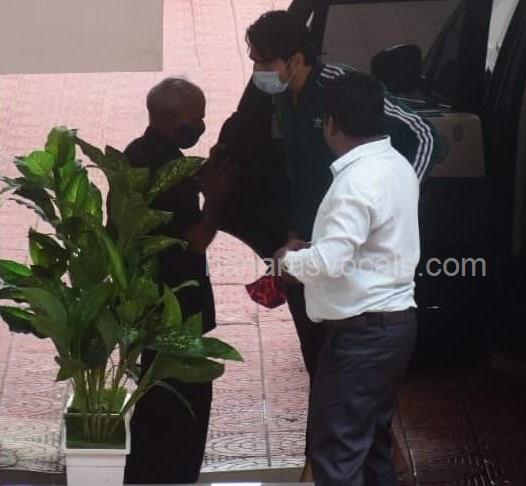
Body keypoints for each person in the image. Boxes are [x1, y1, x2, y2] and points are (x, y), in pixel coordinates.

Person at [245, 10, 436, 477]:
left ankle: (323, 462)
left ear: (295, 59)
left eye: (263, 61)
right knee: (349, 409)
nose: (257, 71)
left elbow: (424, 134)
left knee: (343, 436)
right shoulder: (282, 99)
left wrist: (393, 199)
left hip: (349, 287)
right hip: (329, 266)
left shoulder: (341, 93)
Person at [277, 71, 420, 485]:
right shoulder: (396, 166)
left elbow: (329, 262)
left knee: (337, 457)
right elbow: (362, 246)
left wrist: (288, 261)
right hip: (392, 329)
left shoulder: (355, 183)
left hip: (361, 338)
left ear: (331, 123)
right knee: (372, 449)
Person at [122, 77, 235, 484]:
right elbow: (197, 239)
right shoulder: (170, 172)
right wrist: (215, 197)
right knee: (182, 409)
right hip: (177, 305)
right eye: (196, 119)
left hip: (146, 299)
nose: (201, 125)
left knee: (155, 403)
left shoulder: (135, 153)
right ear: (172, 120)